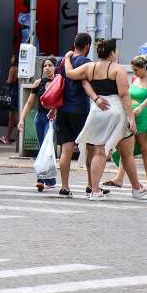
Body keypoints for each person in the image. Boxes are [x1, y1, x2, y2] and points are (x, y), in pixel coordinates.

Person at [63, 39, 147, 200]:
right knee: (127, 153)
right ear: (113, 52)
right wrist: (131, 118)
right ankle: (137, 188)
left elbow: (70, 73)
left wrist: (67, 57)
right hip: (116, 111)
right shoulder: (117, 69)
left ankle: (95, 190)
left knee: (99, 151)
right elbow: (124, 95)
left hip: (97, 111)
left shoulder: (90, 67)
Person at [53, 33, 105, 199]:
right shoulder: (86, 62)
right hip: (81, 110)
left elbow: (57, 80)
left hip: (63, 109)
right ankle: (91, 185)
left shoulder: (62, 61)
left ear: (74, 44)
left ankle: (65, 186)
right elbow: (85, 82)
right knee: (90, 148)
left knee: (66, 150)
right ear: (88, 46)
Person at [104, 55, 147, 187]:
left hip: (145, 117)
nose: (134, 73)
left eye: (136, 70)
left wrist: (140, 107)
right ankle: (119, 178)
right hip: (132, 118)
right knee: (126, 149)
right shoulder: (135, 79)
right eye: (133, 70)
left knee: (145, 149)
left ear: (145, 68)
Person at [18, 57, 58, 191]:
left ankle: (42, 179)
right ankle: (48, 180)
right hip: (39, 118)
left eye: (50, 65)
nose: (47, 68)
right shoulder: (38, 83)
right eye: (45, 65)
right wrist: (22, 119)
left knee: (47, 149)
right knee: (42, 149)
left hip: (52, 118)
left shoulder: (59, 82)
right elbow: (29, 102)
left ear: (55, 67)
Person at [0, 54, 19, 144]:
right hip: (17, 93)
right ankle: (16, 138)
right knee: (16, 116)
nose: (11, 59)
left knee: (12, 117)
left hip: (12, 94)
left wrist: (6, 82)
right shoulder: (19, 68)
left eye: (12, 57)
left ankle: (8, 137)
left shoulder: (13, 68)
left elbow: (9, 81)